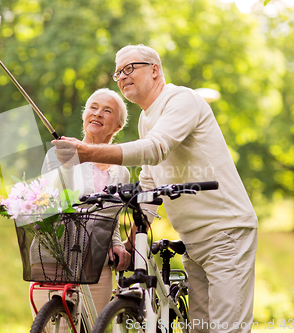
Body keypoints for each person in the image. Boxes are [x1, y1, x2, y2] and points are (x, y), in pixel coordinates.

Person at [52, 44, 258, 333]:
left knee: (227, 328)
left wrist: (88, 152)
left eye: (129, 68)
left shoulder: (181, 99)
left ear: (154, 70)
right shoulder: (147, 120)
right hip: (193, 240)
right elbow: (150, 184)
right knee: (199, 328)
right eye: (118, 73)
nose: (122, 76)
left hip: (225, 232)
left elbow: (156, 148)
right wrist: (132, 238)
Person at [31, 88, 132, 317]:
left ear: (117, 126)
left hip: (96, 266)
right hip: (54, 258)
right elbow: (50, 202)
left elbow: (111, 219)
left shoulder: (121, 172)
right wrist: (67, 166)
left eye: (107, 111)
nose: (97, 113)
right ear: (84, 114)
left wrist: (116, 243)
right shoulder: (57, 154)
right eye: (93, 107)